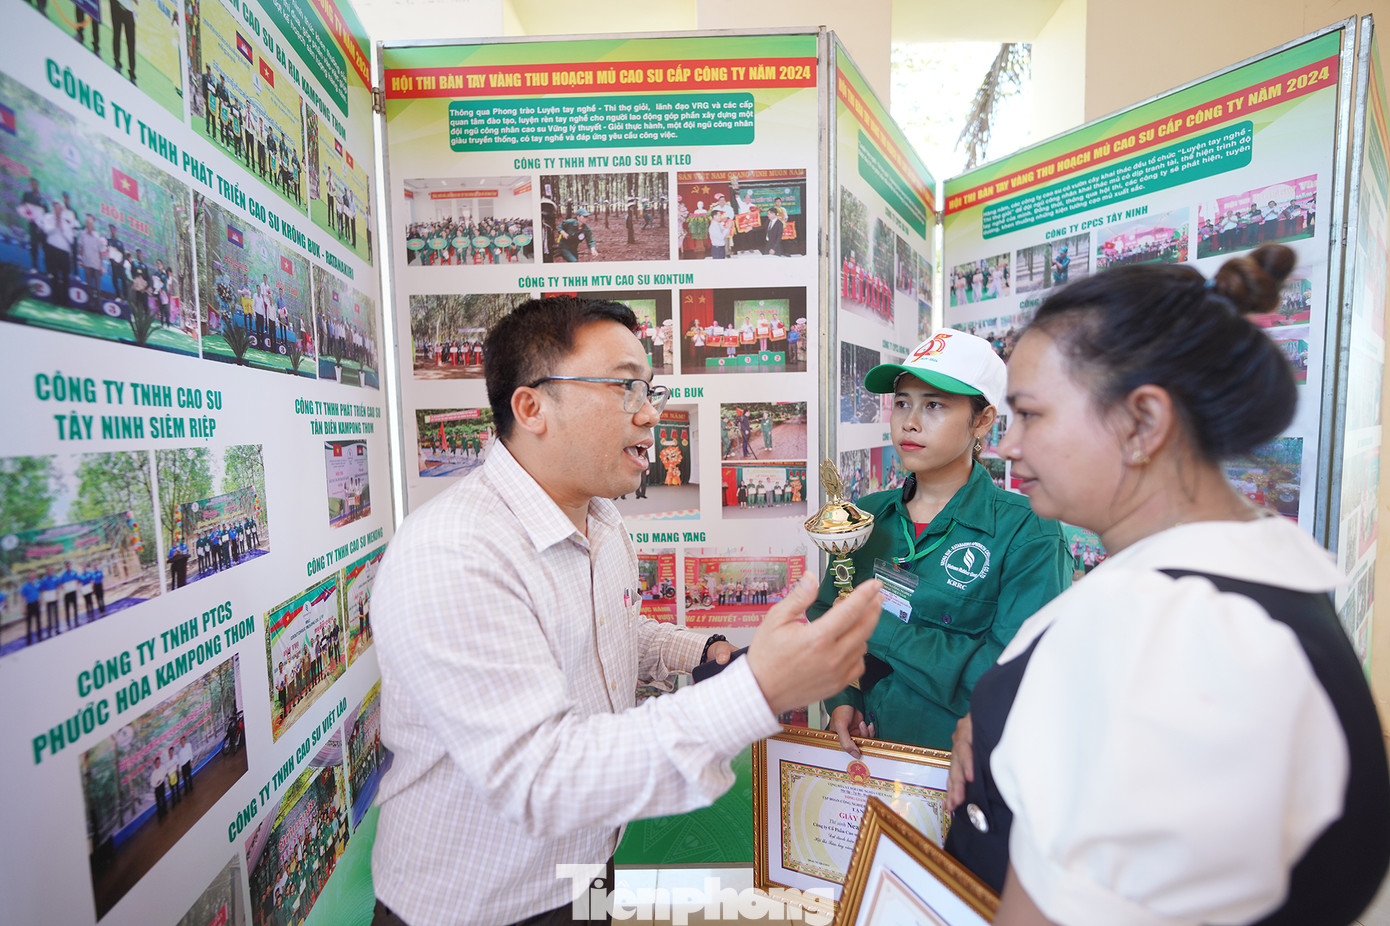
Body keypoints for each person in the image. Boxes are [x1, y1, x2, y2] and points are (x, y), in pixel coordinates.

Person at [368, 295, 884, 926]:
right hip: (480, 906)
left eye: (649, 388)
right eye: (623, 388)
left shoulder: (603, 522)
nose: (650, 413)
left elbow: (611, 630)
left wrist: (709, 653)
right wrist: (758, 688)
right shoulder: (454, 552)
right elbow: (542, 777)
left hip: (588, 868)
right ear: (531, 407)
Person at [943, 245, 1390, 926]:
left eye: (1030, 415)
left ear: (1143, 423)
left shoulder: (1165, 639)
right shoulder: (1232, 588)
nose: (1008, 446)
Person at [809, 330, 1072, 754]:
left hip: (961, 770)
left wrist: (882, 631)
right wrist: (843, 699)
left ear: (982, 420)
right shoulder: (866, 517)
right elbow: (829, 612)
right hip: (868, 761)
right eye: (902, 403)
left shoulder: (1028, 531)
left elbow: (1015, 678)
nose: (909, 422)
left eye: (934, 405)